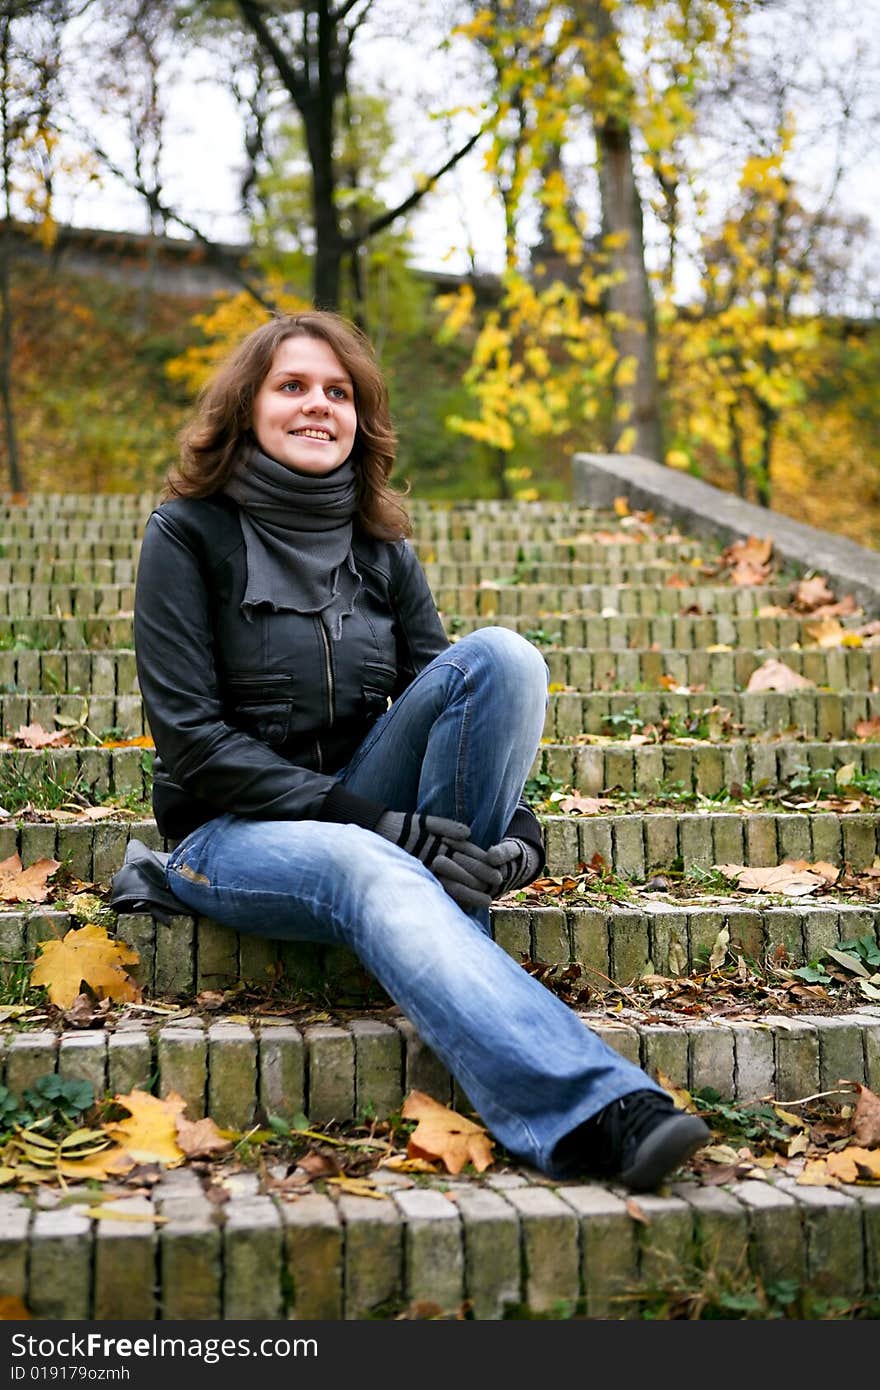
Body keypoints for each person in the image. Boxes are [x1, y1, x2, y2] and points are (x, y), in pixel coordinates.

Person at [130, 309, 709, 1191]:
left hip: (372, 805)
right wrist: (383, 826)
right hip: (233, 833)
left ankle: (448, 944)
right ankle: (590, 1109)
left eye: (339, 391)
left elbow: (462, 705)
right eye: (293, 387)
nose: (318, 405)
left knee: (504, 658)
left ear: (362, 417)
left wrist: (520, 835)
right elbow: (194, 743)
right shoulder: (186, 535)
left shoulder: (383, 547)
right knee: (376, 866)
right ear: (247, 406)